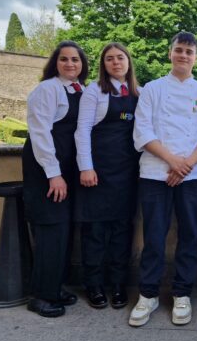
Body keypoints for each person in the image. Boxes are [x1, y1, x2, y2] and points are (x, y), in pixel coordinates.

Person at [130, 31, 197, 327]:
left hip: (193, 174)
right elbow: (142, 131)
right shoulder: (152, 89)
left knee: (189, 235)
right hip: (155, 172)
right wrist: (172, 161)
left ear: (196, 58)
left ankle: (182, 293)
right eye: (179, 50)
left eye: (189, 52)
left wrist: (185, 164)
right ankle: (148, 294)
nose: (183, 56)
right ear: (170, 53)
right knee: (154, 235)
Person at [22, 40, 89, 318]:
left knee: (63, 231)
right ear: (55, 63)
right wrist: (54, 174)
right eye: (64, 59)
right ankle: (41, 296)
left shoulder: (80, 90)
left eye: (75, 59)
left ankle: (55, 287)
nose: (70, 64)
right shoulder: (47, 89)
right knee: (51, 230)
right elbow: (40, 134)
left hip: (67, 170)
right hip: (47, 170)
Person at [74, 43, 140, 309]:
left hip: (127, 174)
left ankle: (118, 285)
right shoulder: (95, 91)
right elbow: (82, 131)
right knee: (95, 232)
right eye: (110, 59)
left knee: (122, 232)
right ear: (104, 65)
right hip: (97, 174)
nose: (116, 62)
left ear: (128, 62)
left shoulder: (140, 93)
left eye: (120, 57)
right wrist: (85, 167)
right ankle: (94, 285)